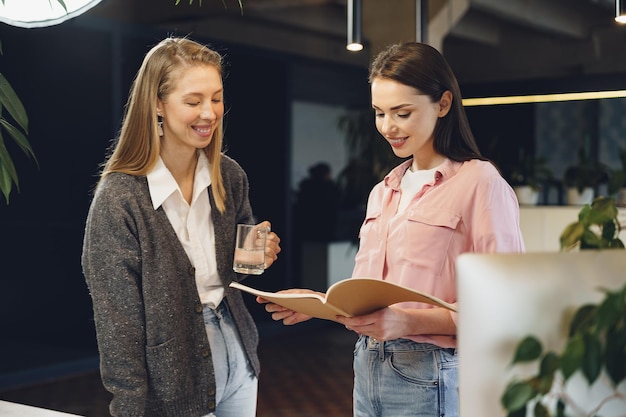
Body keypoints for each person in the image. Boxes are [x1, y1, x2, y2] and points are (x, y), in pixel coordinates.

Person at [257, 41, 525, 417]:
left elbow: (504, 308)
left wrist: (408, 320)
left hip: (431, 370)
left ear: (443, 104)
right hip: (367, 365)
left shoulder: (480, 183)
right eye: (379, 113)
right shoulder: (383, 191)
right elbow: (373, 305)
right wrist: (319, 306)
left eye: (401, 113)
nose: (388, 127)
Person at [81, 36, 281, 417]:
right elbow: (117, 322)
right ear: (158, 103)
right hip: (172, 380)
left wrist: (259, 253)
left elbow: (237, 269)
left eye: (217, 98)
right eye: (193, 101)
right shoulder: (120, 198)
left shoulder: (229, 175)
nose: (209, 113)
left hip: (239, 358)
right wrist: (129, 406)